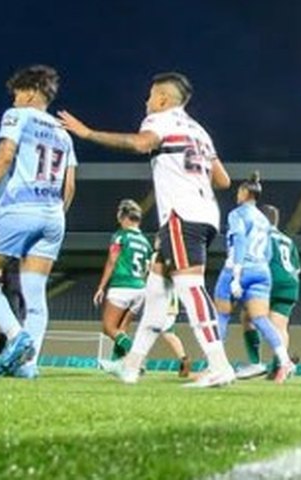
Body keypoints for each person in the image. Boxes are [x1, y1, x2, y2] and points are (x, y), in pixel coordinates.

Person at [59, 72, 234, 387]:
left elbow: (140, 144)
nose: (147, 101)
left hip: (183, 215)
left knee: (190, 288)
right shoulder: (199, 131)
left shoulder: (160, 121)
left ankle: (219, 364)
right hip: (204, 213)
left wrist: (87, 133)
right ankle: (130, 365)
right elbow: (223, 180)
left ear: (164, 99)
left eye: (151, 96)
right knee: (155, 293)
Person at [0, 65, 77, 379]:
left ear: (28, 92)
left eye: (16, 94)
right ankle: (28, 366)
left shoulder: (17, 116)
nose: (14, 100)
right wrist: (53, 217)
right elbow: (70, 187)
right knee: (35, 294)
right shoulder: (63, 133)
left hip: (18, 209)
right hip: (53, 215)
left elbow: (5, 155)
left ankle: (16, 335)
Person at [214, 173, 295, 383]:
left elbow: (239, 239)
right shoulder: (263, 219)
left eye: (239, 191)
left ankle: (215, 366)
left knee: (221, 315)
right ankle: (284, 360)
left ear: (244, 192)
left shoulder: (237, 214)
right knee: (260, 319)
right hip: (261, 271)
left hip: (239, 267)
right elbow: (268, 252)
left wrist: (237, 273)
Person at [235, 204, 301, 381]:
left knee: (247, 317)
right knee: (280, 326)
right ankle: (281, 367)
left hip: (269, 279)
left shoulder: (259, 234)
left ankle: (255, 363)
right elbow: (297, 268)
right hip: (290, 284)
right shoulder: (288, 240)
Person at [93, 199, 153, 360]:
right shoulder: (146, 243)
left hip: (122, 286)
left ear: (124, 217)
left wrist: (101, 287)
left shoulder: (120, 237)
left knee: (109, 328)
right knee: (122, 329)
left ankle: (135, 355)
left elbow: (112, 260)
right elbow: (148, 270)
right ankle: (117, 364)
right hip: (140, 289)